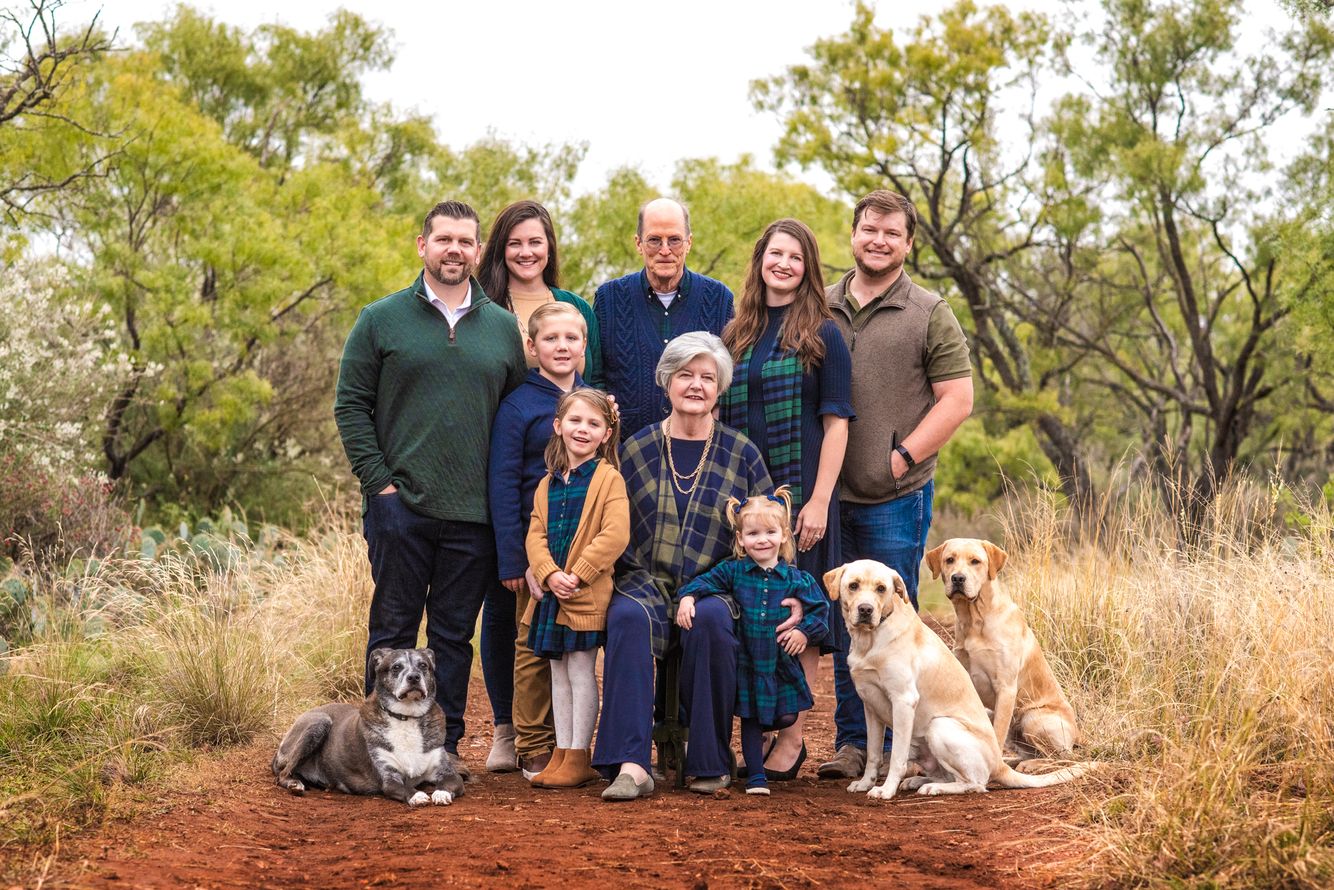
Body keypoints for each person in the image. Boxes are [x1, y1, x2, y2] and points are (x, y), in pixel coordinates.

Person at [334, 200, 527, 778]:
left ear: (476, 251)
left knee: (451, 638)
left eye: (466, 242)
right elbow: (351, 405)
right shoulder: (380, 319)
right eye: (444, 239)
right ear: (423, 245)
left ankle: (443, 749)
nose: (455, 251)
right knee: (391, 634)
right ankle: (379, 753)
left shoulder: (499, 328)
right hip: (401, 509)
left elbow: (516, 414)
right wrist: (380, 486)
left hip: (473, 516)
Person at [817, 189, 974, 781]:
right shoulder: (821, 303)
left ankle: (906, 754)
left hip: (893, 496)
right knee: (846, 619)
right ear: (853, 234)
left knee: (890, 620)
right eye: (868, 230)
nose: (878, 240)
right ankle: (854, 746)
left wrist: (904, 455)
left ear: (908, 243)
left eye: (891, 233)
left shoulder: (930, 311)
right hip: (828, 496)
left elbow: (957, 400)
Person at [594, 332, 781, 802]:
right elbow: (608, 523)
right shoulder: (633, 450)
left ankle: (711, 760)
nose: (696, 385)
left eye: (707, 377)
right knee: (626, 618)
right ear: (666, 382)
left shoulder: (742, 453)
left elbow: (767, 526)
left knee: (714, 622)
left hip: (718, 583)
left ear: (720, 388)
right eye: (685, 375)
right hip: (643, 579)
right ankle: (632, 764)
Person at [718, 218, 852, 780]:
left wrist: (818, 500)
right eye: (776, 254)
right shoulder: (736, 333)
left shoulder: (824, 333)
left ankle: (793, 736)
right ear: (760, 260)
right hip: (744, 502)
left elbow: (837, 422)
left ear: (808, 268)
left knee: (802, 613)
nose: (784, 265)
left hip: (802, 499)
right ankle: (751, 729)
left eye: (796, 258)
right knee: (751, 612)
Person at [486, 302, 591, 778]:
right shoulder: (518, 406)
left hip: (584, 549)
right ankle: (532, 741)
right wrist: (513, 560)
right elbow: (504, 483)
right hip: (536, 548)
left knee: (578, 647)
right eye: (551, 339)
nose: (562, 346)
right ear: (532, 347)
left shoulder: (595, 404)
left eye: (572, 338)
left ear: (584, 347)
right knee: (531, 645)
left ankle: (575, 744)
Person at [676, 488, 829, 796]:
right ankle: (756, 776)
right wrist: (688, 598)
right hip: (748, 661)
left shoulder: (797, 579)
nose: (762, 540)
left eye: (770, 532)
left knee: (783, 715)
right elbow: (702, 582)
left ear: (784, 536)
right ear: (741, 540)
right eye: (753, 533)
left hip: (779, 664)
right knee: (751, 719)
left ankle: (773, 749)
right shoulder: (734, 571)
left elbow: (821, 612)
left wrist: (803, 632)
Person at [522, 389, 630, 788]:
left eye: (593, 424)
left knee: (581, 669)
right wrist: (549, 573)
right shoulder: (547, 483)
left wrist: (578, 574)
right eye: (575, 421)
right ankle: (562, 752)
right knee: (557, 671)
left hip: (585, 593)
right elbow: (535, 534)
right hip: (554, 593)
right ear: (558, 426)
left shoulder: (608, 479)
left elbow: (615, 534)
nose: (582, 429)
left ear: (606, 434)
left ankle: (579, 755)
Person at [594, 198, 734, 439]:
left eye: (675, 240)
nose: (665, 250)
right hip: (625, 449)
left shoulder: (719, 299)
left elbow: (730, 380)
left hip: (699, 450)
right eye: (654, 240)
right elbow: (595, 377)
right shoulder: (609, 299)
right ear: (638, 243)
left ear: (689, 242)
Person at [477, 200, 601, 386]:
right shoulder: (482, 309)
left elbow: (598, 381)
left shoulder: (578, 307)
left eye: (535, 242)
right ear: (501, 250)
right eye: (515, 243)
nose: (526, 252)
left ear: (549, 247)